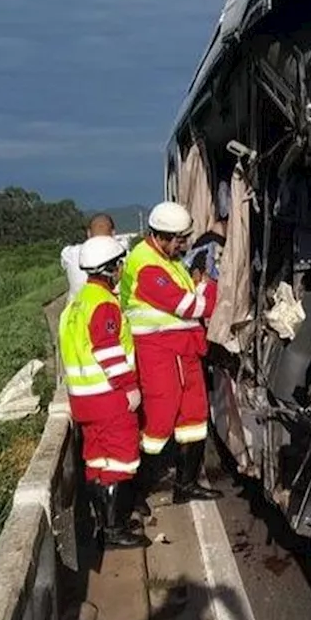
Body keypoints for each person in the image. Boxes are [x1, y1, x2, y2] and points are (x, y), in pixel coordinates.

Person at [120, 201, 224, 505]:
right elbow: (192, 305)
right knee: (158, 423)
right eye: (179, 239)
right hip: (159, 354)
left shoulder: (168, 259)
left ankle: (186, 484)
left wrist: (198, 287)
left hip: (182, 350)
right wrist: (210, 288)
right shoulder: (148, 267)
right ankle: (136, 491)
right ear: (160, 236)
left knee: (193, 417)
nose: (184, 244)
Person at [57, 235, 150, 550]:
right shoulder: (105, 305)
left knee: (97, 461)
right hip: (109, 399)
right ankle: (114, 529)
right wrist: (130, 387)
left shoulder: (75, 304)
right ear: (111, 269)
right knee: (121, 462)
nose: (122, 269)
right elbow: (108, 350)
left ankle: (101, 524)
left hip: (83, 401)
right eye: (120, 265)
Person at [62, 213, 121, 302]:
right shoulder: (123, 255)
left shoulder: (69, 253)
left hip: (75, 311)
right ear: (113, 233)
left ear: (89, 233)